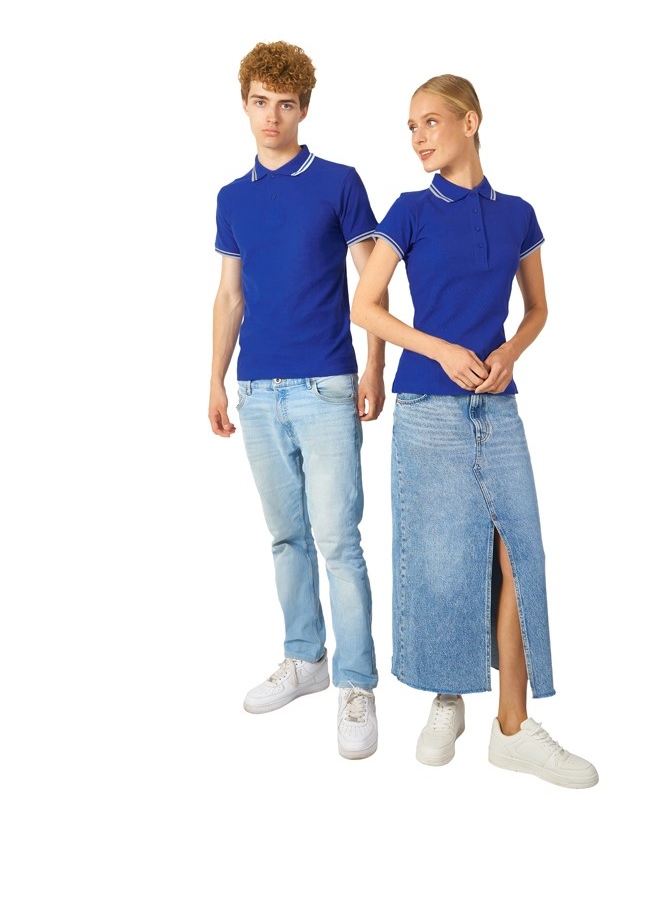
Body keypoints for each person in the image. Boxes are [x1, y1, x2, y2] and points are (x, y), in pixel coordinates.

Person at [350, 74, 598, 788]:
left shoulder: (518, 214)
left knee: (520, 553)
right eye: (411, 127)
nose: (418, 137)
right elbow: (366, 306)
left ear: (470, 121)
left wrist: (508, 353)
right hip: (428, 411)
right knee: (443, 560)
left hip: (499, 408)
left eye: (430, 121)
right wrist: (441, 350)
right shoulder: (409, 211)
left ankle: (513, 728)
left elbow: (538, 308)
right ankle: (446, 698)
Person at [209, 40, 386, 760]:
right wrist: (215, 379)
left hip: (326, 385)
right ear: (244, 104)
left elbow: (372, 281)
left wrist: (374, 367)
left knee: (339, 541)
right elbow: (229, 295)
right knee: (286, 538)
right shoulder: (232, 198)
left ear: (304, 108)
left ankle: (356, 683)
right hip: (257, 389)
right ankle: (305, 657)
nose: (272, 116)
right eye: (260, 102)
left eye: (285, 104)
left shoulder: (338, 182)